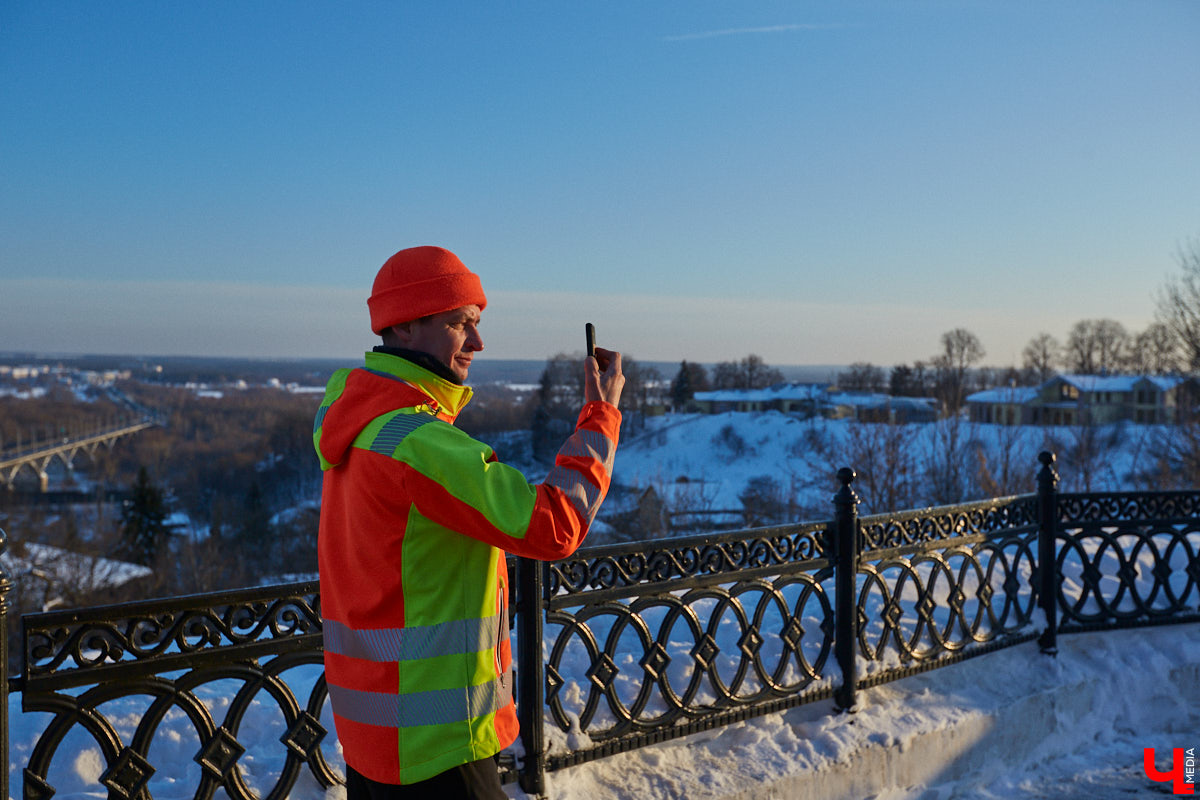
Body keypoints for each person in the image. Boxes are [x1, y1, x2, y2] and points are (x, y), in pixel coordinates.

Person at [314, 245, 624, 798]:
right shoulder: (420, 443)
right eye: (462, 324)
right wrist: (600, 419)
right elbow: (554, 527)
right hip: (438, 748)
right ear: (406, 326)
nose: (478, 343)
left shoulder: (360, 427)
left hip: (373, 742)